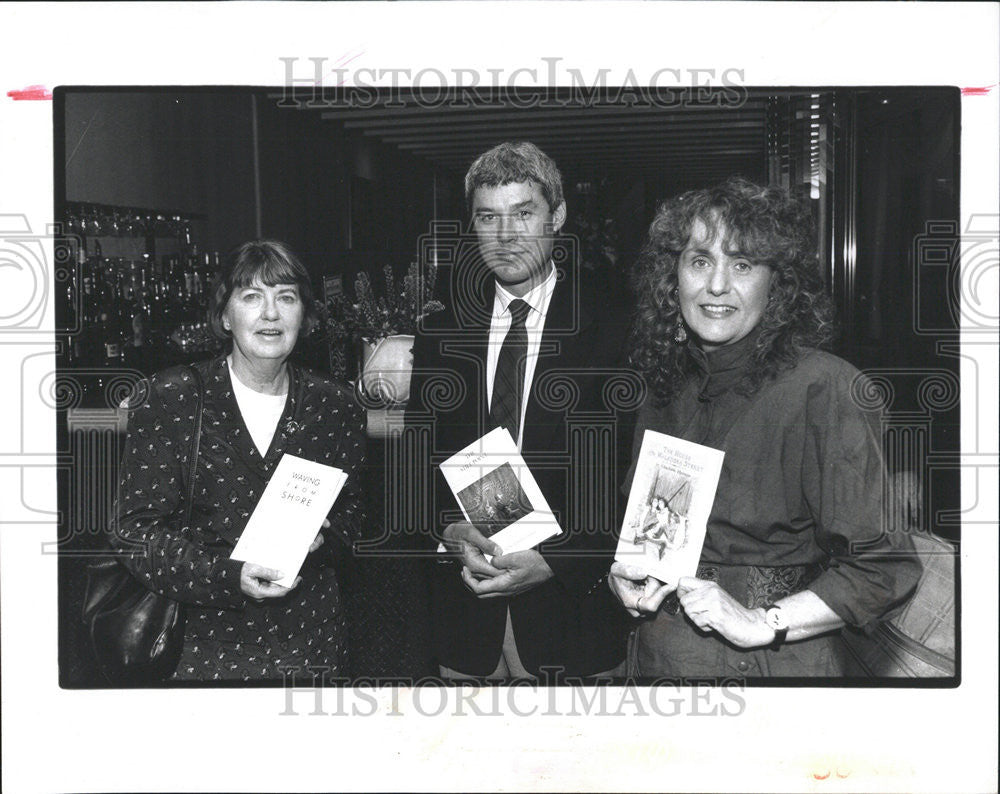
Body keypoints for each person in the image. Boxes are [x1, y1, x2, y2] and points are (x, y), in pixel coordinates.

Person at [609, 177, 921, 677]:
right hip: (658, 655)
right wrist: (627, 573)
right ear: (673, 278)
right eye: (700, 261)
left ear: (778, 283)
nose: (716, 285)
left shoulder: (826, 388)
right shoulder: (663, 383)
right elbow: (655, 528)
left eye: (742, 264)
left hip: (769, 665)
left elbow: (881, 568)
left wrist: (762, 621)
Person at [404, 141, 634, 680]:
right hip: (465, 619)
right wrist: (447, 532)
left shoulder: (614, 323)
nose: (505, 236)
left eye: (523, 213)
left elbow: (634, 471)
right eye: (488, 217)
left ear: (557, 217)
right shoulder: (442, 324)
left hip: (574, 619)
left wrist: (561, 559)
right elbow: (416, 456)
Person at [110, 240, 367, 681]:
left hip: (311, 642)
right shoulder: (171, 399)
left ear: (303, 315)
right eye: (252, 297)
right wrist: (227, 576)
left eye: (286, 298)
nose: (271, 314)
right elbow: (133, 532)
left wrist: (329, 539)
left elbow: (357, 515)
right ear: (225, 315)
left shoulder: (336, 406)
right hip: (202, 647)